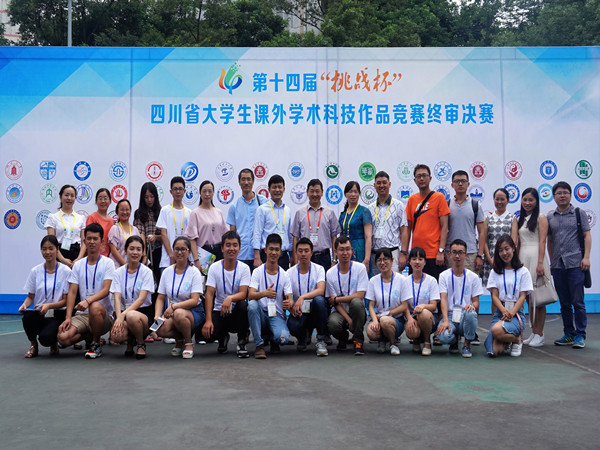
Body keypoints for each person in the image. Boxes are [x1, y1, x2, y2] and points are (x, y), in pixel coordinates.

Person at [57, 223, 116, 359]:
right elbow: (72, 292)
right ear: (84, 241)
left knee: (94, 306)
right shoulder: (78, 265)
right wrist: (68, 317)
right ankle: (89, 336)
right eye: (89, 238)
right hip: (82, 315)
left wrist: (88, 301)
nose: (92, 242)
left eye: (95, 239)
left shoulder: (108, 263)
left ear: (101, 241)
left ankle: (95, 343)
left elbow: (106, 290)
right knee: (63, 338)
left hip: (103, 315)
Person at [547, 181, 591, 349]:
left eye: (565, 192)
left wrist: (586, 257)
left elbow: (587, 236)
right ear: (554, 197)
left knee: (578, 302)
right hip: (558, 265)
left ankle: (580, 334)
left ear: (570, 195)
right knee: (564, 303)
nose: (562, 195)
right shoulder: (550, 217)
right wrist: (552, 261)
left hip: (575, 263)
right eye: (559, 193)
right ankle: (569, 333)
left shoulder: (579, 213)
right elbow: (550, 241)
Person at [202, 231, 252, 358]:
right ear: (222, 248)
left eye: (235, 245)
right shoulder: (214, 267)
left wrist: (230, 298)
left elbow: (243, 293)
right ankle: (222, 336)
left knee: (243, 305)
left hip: (236, 311)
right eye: (228, 245)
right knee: (206, 335)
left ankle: (241, 342)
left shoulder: (244, 268)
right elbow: (209, 294)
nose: (231, 248)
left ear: (239, 248)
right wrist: (208, 320)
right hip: (220, 310)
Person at [18, 236, 70, 357]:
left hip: (57, 314)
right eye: (44, 249)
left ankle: (53, 342)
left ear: (57, 249)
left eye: (51, 248)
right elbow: (30, 297)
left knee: (46, 339)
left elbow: (65, 301)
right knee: (27, 317)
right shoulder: (35, 271)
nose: (47, 252)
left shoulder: (66, 271)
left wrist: (49, 306)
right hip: (39, 313)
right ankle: (33, 345)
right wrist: (24, 305)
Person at [154, 236, 204, 359]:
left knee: (179, 314)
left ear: (189, 252)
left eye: (183, 249)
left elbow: (194, 300)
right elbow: (160, 297)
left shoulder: (194, 272)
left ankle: (188, 342)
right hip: (172, 312)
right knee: (157, 327)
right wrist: (157, 315)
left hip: (192, 312)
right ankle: (179, 339)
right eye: (177, 249)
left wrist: (174, 307)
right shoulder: (167, 272)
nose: (179, 252)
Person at [484, 235, 533, 357]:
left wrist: (511, 313)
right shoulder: (495, 271)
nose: (504, 253)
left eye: (507, 249)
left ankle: (517, 340)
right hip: (500, 313)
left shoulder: (523, 271)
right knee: (493, 351)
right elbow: (494, 296)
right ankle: (508, 339)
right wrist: (503, 311)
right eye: (500, 250)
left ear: (513, 248)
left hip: (516, 314)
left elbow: (522, 296)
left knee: (496, 330)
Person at [518, 188, 554, 348]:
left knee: (538, 298)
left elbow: (543, 241)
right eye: (525, 199)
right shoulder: (521, 219)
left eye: (531, 200)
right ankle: (534, 331)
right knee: (528, 297)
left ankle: (540, 333)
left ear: (537, 201)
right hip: (523, 259)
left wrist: (540, 263)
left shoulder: (541, 217)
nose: (527, 203)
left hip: (536, 258)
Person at [248, 233, 294, 359]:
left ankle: (273, 338)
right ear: (265, 250)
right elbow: (251, 295)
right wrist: (264, 293)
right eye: (271, 249)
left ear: (281, 251)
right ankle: (259, 345)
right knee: (252, 306)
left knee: (283, 339)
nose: (273, 252)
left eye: (277, 249)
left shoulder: (284, 275)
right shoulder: (257, 272)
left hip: (276, 315)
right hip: (261, 314)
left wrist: (289, 303)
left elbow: (289, 298)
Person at [437, 239, 485, 358]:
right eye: (454, 252)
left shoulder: (473, 277)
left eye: (460, 252)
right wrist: (445, 320)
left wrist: (472, 306)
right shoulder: (443, 276)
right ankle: (453, 341)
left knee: (471, 314)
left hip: (465, 315)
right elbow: (443, 299)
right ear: (449, 254)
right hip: (450, 315)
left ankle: (466, 344)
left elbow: (476, 302)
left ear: (466, 255)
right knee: (442, 336)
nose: (457, 256)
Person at [109, 236, 155, 359]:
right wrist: (118, 317)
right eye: (132, 249)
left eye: (138, 249)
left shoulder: (146, 272)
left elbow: (141, 299)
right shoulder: (118, 272)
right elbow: (117, 297)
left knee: (132, 316)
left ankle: (140, 344)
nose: (135, 252)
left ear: (142, 252)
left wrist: (123, 315)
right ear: (125, 250)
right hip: (125, 312)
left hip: (143, 313)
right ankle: (130, 343)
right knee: (116, 336)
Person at [406, 164, 450, 280]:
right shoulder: (411, 200)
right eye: (418, 176)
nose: (421, 179)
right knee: (414, 288)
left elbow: (445, 227)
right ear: (414, 180)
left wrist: (441, 251)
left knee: (435, 288)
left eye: (424, 175)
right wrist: (404, 252)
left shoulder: (439, 198)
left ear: (430, 178)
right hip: (416, 255)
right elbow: (408, 229)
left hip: (434, 255)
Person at [326, 235, 369, 355]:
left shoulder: (360, 268)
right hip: (340, 311)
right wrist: (349, 320)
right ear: (335, 252)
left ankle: (358, 340)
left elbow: (360, 295)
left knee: (356, 302)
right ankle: (343, 338)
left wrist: (338, 299)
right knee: (333, 324)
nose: (345, 253)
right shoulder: (330, 273)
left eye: (347, 249)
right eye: (341, 250)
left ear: (352, 250)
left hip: (357, 311)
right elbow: (333, 301)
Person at [287, 237, 329, 356]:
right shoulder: (289, 273)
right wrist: (291, 306)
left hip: (315, 310)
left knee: (319, 301)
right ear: (296, 253)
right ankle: (302, 337)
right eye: (300, 251)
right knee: (292, 325)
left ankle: (321, 340)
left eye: (306, 251)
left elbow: (321, 290)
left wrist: (302, 297)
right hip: (300, 311)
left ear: (312, 252)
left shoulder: (319, 269)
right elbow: (287, 296)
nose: (303, 254)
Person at [133, 182, 163, 342]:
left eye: (151, 196)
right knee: (146, 292)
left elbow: (165, 234)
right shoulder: (139, 213)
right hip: (145, 255)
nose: (149, 200)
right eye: (146, 197)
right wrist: (143, 255)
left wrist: (156, 237)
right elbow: (140, 234)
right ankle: (146, 329)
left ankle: (157, 329)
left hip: (160, 254)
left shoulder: (162, 211)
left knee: (159, 291)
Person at [291, 179, 340, 272]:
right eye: (312, 191)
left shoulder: (329, 212)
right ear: (307, 192)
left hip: (324, 257)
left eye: (317, 191)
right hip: (305, 257)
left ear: (322, 192)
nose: (314, 194)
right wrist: (296, 260)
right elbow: (295, 238)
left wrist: (334, 260)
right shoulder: (300, 213)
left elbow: (334, 237)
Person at [365, 248, 406, 356]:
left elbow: (404, 306)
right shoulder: (373, 281)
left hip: (396, 320)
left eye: (385, 259)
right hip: (379, 318)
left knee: (385, 321)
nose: (382, 263)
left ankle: (393, 344)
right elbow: (371, 306)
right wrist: (374, 321)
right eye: (379, 260)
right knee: (371, 331)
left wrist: (387, 314)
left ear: (392, 260)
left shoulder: (401, 279)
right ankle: (382, 340)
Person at [401, 247, 440, 356]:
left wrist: (423, 306)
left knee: (424, 313)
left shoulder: (432, 281)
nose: (417, 262)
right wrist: (409, 319)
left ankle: (427, 342)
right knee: (412, 331)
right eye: (414, 259)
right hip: (412, 316)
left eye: (420, 259)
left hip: (429, 317)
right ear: (409, 262)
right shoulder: (404, 281)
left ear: (425, 262)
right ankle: (416, 339)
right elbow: (404, 306)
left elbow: (433, 306)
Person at [368, 171, 409, 275]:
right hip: (375, 255)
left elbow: (404, 229)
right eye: (378, 183)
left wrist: (403, 253)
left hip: (393, 253)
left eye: (384, 182)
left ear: (389, 184)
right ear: (374, 185)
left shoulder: (399, 205)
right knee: (376, 283)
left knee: (394, 282)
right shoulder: (370, 208)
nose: (381, 186)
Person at [227, 168, 267, 270]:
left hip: (261, 254)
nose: (246, 182)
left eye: (249, 179)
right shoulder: (234, 206)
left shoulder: (263, 202)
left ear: (253, 181)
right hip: (241, 255)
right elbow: (232, 233)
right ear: (239, 182)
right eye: (243, 179)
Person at [446, 170, 485, 272]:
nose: (460, 184)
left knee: (470, 281)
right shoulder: (447, 204)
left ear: (468, 184)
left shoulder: (475, 205)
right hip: (450, 253)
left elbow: (482, 232)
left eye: (463, 181)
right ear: (452, 185)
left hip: (470, 253)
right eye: (457, 181)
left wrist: (480, 255)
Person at [252, 175, 293, 270]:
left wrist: (292, 256)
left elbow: (289, 235)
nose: (277, 190)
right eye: (274, 187)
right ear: (269, 189)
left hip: (283, 256)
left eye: (280, 187)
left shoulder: (287, 210)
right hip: (267, 255)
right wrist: (257, 257)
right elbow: (257, 233)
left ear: (284, 189)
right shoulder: (262, 209)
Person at [186, 180, 228, 272]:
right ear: (200, 193)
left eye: (210, 191)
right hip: (203, 254)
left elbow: (225, 235)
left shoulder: (218, 212)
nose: (207, 194)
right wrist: (196, 260)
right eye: (204, 191)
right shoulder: (195, 213)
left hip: (219, 252)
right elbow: (192, 239)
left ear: (213, 193)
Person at [481, 188, 518, 286]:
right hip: (491, 259)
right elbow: (484, 241)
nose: (499, 202)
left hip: (507, 258)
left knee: (507, 286)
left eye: (502, 199)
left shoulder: (512, 218)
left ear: (508, 200)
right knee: (493, 288)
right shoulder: (488, 218)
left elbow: (513, 241)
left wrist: (506, 257)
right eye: (497, 199)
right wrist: (490, 259)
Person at [45, 184, 86, 268]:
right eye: (66, 195)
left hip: (76, 255)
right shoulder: (53, 217)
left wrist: (78, 259)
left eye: (72, 196)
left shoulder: (80, 218)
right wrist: (62, 259)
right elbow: (51, 242)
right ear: (60, 197)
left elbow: (84, 242)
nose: (69, 198)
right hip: (58, 254)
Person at [156, 176, 192, 272]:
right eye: (175, 189)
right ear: (171, 192)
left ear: (184, 191)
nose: (178, 192)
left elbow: (191, 237)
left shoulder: (189, 212)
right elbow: (163, 234)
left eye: (180, 189)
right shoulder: (165, 210)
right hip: (167, 260)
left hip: (185, 260)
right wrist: (171, 255)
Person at [339, 181, 372, 273]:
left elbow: (368, 236)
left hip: (360, 250)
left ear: (359, 194)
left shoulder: (364, 211)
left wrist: (367, 259)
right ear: (345, 194)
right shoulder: (342, 215)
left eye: (355, 192)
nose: (353, 194)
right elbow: (341, 236)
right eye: (350, 192)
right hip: (346, 251)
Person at [108, 199, 140, 268]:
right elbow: (113, 250)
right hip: (117, 267)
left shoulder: (135, 230)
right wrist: (126, 265)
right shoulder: (115, 228)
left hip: (132, 267)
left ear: (130, 211)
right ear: (117, 212)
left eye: (127, 210)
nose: (125, 212)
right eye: (122, 210)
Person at [86, 188, 114, 257]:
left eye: (105, 198)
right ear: (96, 201)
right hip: (93, 255)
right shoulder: (92, 217)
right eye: (100, 199)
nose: (103, 201)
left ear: (110, 201)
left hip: (107, 257)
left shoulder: (111, 221)